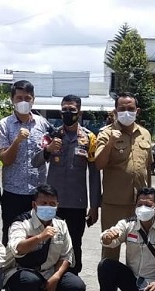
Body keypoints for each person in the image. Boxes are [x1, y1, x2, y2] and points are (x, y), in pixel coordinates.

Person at [32, 94, 100, 276]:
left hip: (77, 203)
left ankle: (72, 278)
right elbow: (34, 162)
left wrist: (94, 206)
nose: (67, 113)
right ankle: (46, 276)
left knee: (74, 243)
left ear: (80, 112)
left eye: (72, 110)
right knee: (49, 241)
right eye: (64, 109)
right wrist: (47, 150)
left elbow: (94, 174)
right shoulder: (51, 136)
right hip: (52, 204)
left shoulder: (90, 138)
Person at [4, 184, 86, 291]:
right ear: (34, 205)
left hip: (47, 272)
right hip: (19, 272)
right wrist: (40, 237)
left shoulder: (60, 224)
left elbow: (66, 254)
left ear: (57, 205)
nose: (48, 207)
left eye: (52, 204)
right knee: (29, 281)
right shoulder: (21, 222)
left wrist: (56, 276)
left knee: (76, 286)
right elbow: (17, 248)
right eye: (43, 204)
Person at [95, 92, 154, 261]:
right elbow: (99, 164)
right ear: (115, 111)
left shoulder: (145, 133)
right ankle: (108, 288)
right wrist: (110, 143)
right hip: (114, 203)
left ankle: (137, 287)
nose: (126, 112)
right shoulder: (106, 133)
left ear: (138, 111)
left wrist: (149, 197)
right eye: (122, 109)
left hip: (140, 204)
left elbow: (147, 168)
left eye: (130, 108)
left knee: (139, 250)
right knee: (110, 248)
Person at [0, 80, 49, 245]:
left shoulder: (43, 124)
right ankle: (9, 270)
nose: (23, 102)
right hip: (13, 193)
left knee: (36, 235)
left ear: (33, 99)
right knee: (11, 235)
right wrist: (17, 141)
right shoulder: (4, 125)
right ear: (12, 100)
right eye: (19, 98)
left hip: (37, 192)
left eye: (27, 97)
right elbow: (6, 160)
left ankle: (33, 270)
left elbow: (48, 153)